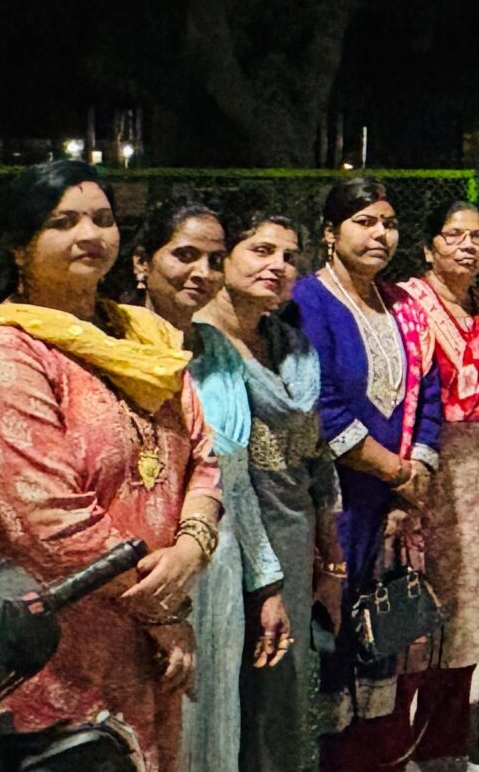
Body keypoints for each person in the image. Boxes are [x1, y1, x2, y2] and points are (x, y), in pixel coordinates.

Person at [0, 161, 222, 772]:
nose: (90, 235)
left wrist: (193, 545)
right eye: (63, 222)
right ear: (20, 245)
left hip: (141, 627)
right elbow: (50, 521)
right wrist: (160, 611)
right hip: (44, 637)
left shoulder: (143, 339)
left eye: (103, 219)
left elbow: (201, 452)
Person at [290, 179, 444, 772]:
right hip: (333, 501)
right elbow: (320, 403)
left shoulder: (403, 306)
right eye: (364, 221)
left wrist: (415, 474)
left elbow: (429, 390)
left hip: (392, 501)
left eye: (389, 223)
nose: (380, 234)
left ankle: (373, 756)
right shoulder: (309, 300)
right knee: (329, 627)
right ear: (331, 232)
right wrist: (395, 470)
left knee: (381, 629)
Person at [191, 212, 341, 772]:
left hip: (293, 537)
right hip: (224, 541)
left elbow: (315, 454)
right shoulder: (196, 350)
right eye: (261, 250)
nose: (278, 265)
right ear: (224, 259)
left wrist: (330, 550)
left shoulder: (291, 346)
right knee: (225, 683)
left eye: (289, 256)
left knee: (282, 688)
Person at [154, 201, 285, 772]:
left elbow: (238, 480)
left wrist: (266, 583)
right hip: (153, 570)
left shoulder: (221, 354)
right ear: (141, 263)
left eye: (212, 259)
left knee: (214, 714)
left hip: (222, 564)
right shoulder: (117, 349)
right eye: (184, 255)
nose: (201, 272)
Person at [391, 201, 479, 770]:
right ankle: (394, 747)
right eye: (454, 235)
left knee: (468, 618)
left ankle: (444, 745)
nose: (468, 246)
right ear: (428, 247)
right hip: (427, 477)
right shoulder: (408, 305)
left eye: (478, 236)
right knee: (414, 618)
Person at [134, 199, 229, 334]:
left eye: (215, 260)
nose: (204, 273)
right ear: (142, 262)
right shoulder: (113, 337)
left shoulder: (216, 342)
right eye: (185, 255)